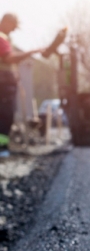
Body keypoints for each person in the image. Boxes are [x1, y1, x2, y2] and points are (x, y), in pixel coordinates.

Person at [0, 14, 40, 149]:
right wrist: (30, 52)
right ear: (6, 22)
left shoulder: (5, 38)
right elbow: (9, 58)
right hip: (3, 84)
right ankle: (2, 148)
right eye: (13, 26)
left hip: (5, 82)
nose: (13, 30)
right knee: (5, 114)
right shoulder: (1, 38)